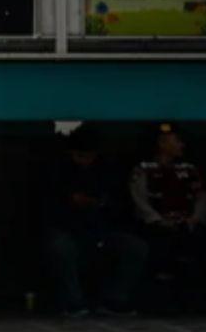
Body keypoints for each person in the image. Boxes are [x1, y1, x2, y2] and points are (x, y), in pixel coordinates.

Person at [38, 126, 146, 318]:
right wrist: (71, 201)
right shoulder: (56, 171)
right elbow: (46, 206)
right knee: (60, 247)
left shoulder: (106, 170)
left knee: (135, 247)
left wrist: (99, 204)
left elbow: (117, 203)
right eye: (78, 156)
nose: (83, 161)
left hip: (100, 228)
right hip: (66, 228)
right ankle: (73, 302)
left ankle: (115, 299)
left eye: (88, 156)